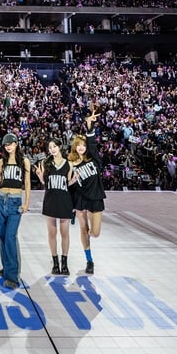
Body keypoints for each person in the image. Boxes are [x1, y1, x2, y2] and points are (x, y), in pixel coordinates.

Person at [68, 110, 106, 274]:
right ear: (75, 146)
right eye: (78, 145)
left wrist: (89, 126)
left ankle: (89, 236)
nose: (81, 147)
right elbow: (68, 184)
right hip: (80, 198)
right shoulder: (71, 162)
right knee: (83, 229)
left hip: (95, 197)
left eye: (83, 145)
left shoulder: (95, 158)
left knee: (95, 233)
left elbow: (92, 142)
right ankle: (89, 261)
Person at [0, 132, 31, 289]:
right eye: (5, 144)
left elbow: (27, 183)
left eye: (10, 143)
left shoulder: (24, 161)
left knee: (10, 237)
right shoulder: (1, 161)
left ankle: (13, 276)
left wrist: (26, 203)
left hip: (15, 202)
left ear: (16, 144)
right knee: (2, 237)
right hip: (1, 199)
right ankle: (6, 268)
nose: (8, 146)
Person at [37, 137, 76, 275]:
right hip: (51, 200)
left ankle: (64, 263)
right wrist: (40, 176)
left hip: (65, 201)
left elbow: (67, 183)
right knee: (52, 233)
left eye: (54, 146)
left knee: (65, 233)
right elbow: (45, 183)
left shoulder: (68, 164)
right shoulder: (45, 163)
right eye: (50, 147)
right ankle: (55, 263)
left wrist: (73, 180)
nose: (52, 149)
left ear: (60, 147)